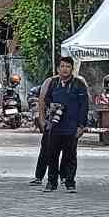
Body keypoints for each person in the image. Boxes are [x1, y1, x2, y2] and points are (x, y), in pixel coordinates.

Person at [37, 57, 89, 194]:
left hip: (71, 127)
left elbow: (84, 106)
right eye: (62, 66)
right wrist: (48, 113)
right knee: (52, 155)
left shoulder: (79, 84)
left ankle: (70, 182)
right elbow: (46, 99)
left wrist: (81, 126)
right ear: (58, 69)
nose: (65, 69)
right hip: (55, 126)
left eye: (67, 66)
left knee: (70, 156)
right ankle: (51, 182)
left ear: (72, 69)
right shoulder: (53, 83)